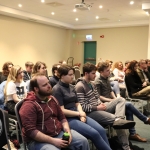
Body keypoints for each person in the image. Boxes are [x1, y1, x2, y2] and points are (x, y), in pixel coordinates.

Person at [19, 73, 90, 150]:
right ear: (36, 89)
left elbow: (62, 118)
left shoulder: (52, 99)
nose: (49, 86)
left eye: (48, 83)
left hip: (57, 133)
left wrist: (67, 132)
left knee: (83, 141)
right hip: (37, 140)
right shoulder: (29, 105)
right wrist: (53, 141)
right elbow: (31, 132)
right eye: (44, 85)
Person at [75, 62, 135, 150]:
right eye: (93, 73)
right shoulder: (79, 86)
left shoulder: (92, 84)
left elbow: (97, 98)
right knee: (117, 122)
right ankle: (126, 148)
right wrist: (97, 107)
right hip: (91, 112)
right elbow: (82, 106)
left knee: (121, 100)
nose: (95, 75)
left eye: (95, 73)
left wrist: (100, 103)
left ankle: (119, 119)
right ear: (86, 73)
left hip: (99, 107)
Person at [52, 65, 111, 150]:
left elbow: (77, 103)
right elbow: (61, 111)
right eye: (70, 75)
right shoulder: (57, 89)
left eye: (73, 74)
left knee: (101, 130)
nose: (73, 77)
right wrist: (79, 113)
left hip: (78, 114)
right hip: (68, 119)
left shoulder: (71, 86)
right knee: (94, 133)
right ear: (62, 75)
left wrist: (81, 114)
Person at [95, 61, 150, 142]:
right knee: (129, 104)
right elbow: (99, 97)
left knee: (128, 108)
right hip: (105, 104)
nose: (109, 71)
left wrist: (115, 99)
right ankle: (144, 120)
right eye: (107, 70)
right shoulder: (97, 81)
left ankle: (133, 134)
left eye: (109, 70)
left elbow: (111, 91)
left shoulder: (107, 78)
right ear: (101, 72)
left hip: (111, 102)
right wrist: (114, 100)